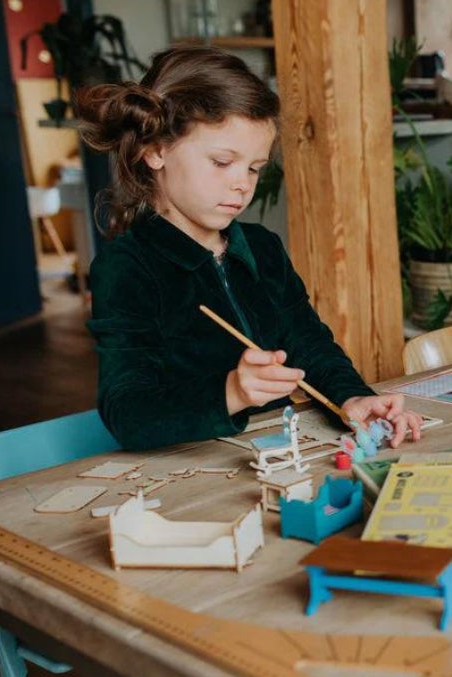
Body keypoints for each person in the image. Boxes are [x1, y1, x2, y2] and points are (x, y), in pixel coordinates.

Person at [77, 45, 422, 452]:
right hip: (187, 469)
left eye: (254, 168)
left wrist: (353, 398)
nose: (243, 183)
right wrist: (232, 391)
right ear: (155, 151)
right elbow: (128, 414)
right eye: (223, 162)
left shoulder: (262, 247)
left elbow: (310, 344)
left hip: (277, 451)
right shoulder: (126, 268)